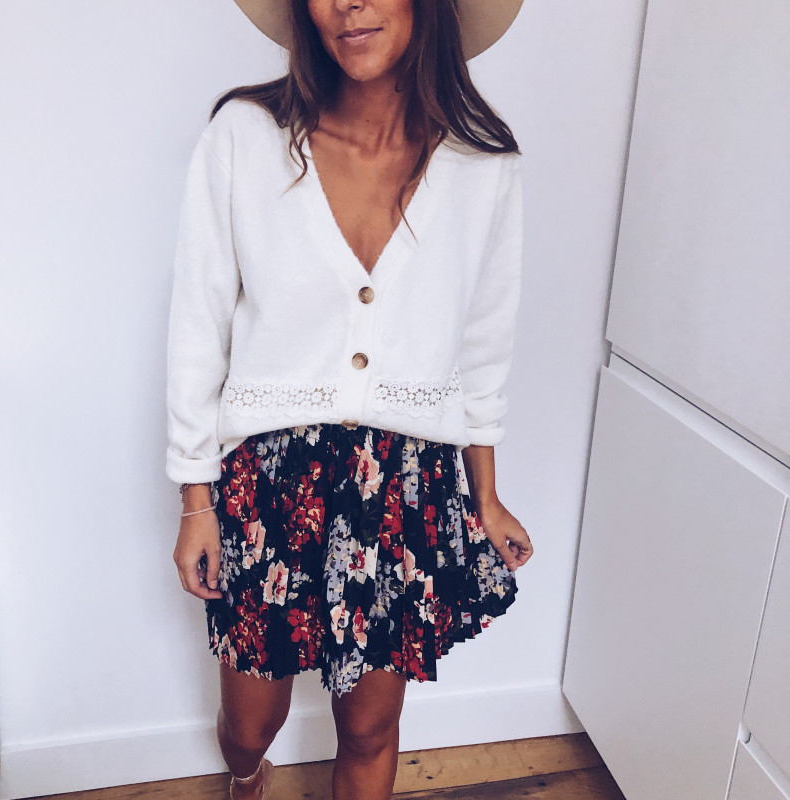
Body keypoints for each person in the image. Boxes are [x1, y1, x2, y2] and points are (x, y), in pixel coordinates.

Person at [166, 1, 534, 798]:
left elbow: (483, 344)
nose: (348, 3)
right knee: (248, 725)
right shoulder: (244, 138)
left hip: (402, 488)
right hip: (270, 484)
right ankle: (247, 780)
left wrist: (487, 494)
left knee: (368, 726)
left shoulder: (484, 163)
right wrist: (196, 499)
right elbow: (198, 327)